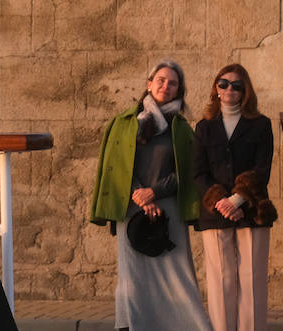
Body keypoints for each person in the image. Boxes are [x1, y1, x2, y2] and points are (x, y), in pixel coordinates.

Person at [89, 59, 213, 331]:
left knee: (177, 273)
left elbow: (189, 171)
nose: (165, 86)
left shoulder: (181, 128)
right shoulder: (124, 124)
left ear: (179, 91)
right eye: (161, 80)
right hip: (131, 205)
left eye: (173, 83)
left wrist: (154, 192)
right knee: (134, 276)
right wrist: (139, 194)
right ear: (149, 84)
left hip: (169, 206)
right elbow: (116, 165)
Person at [192, 64, 276, 331]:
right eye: (224, 83)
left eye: (237, 85)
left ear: (245, 91)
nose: (230, 89)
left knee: (253, 280)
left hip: (252, 210)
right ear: (216, 89)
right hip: (214, 212)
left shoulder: (261, 124)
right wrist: (221, 202)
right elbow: (198, 172)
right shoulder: (204, 127)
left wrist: (237, 200)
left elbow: (262, 169)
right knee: (220, 281)